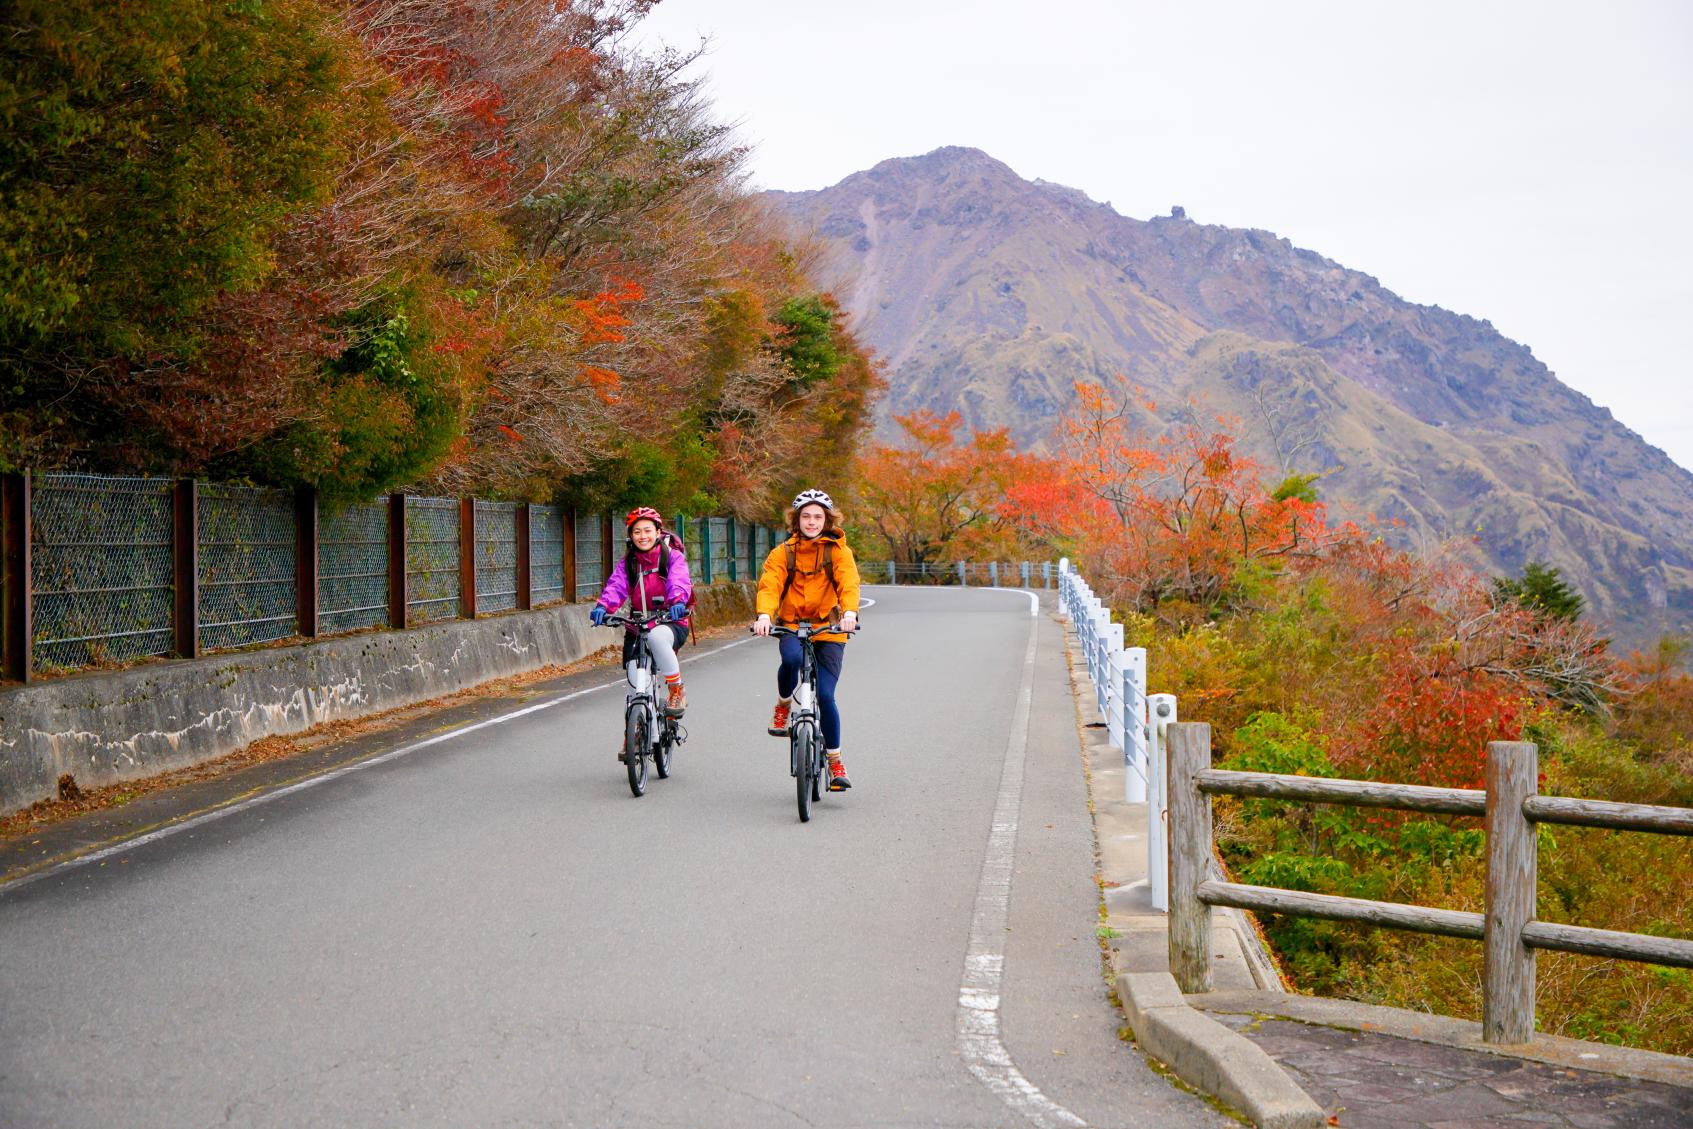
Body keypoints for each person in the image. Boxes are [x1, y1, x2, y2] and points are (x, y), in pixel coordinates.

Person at [752, 489, 861, 791]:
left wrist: (850, 612)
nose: (811, 522)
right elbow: (770, 585)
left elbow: (848, 582)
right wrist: (764, 615)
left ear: (827, 520)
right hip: (792, 625)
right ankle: (784, 702)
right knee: (791, 660)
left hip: (829, 629)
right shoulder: (783, 553)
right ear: (796, 520)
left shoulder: (838, 551)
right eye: (806, 516)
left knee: (825, 696)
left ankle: (836, 761)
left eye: (817, 517)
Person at [591, 508, 692, 759]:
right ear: (630, 536)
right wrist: (603, 607)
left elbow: (679, 581)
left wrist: (678, 600)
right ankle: (634, 730)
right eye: (637, 531)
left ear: (658, 532)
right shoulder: (629, 563)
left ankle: (676, 690)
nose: (643, 536)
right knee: (637, 681)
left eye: (648, 530)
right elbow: (616, 586)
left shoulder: (672, 557)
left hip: (671, 620)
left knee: (658, 638)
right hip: (637, 624)